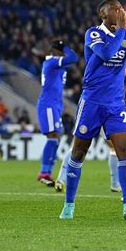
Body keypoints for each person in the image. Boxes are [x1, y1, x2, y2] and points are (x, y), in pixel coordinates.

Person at [59, 0, 126, 220]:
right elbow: (107, 53)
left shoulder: (124, 33)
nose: (121, 11)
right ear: (104, 14)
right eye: (116, 9)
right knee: (78, 153)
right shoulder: (93, 34)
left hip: (115, 104)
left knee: (125, 150)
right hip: (92, 102)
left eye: (122, 8)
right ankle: (69, 205)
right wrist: (123, 31)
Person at [54, 60, 126, 193]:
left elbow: (116, 72)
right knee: (79, 147)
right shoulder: (101, 57)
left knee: (111, 146)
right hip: (96, 106)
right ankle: (61, 179)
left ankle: (114, 184)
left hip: (106, 107)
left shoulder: (105, 57)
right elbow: (116, 72)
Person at [37, 40, 78, 186]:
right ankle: (44, 172)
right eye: (61, 51)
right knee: (53, 136)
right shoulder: (52, 62)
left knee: (56, 137)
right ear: (57, 51)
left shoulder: (56, 64)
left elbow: (73, 60)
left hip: (55, 104)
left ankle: (47, 172)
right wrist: (65, 47)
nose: (64, 53)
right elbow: (73, 57)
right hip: (48, 104)